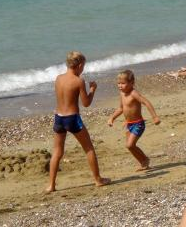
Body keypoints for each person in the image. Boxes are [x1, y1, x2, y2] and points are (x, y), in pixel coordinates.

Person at [46, 51, 110, 192]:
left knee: (57, 151)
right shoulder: (78, 81)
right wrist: (92, 90)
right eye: (83, 67)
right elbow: (86, 103)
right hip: (72, 118)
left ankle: (51, 185)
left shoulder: (58, 78)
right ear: (79, 65)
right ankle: (98, 179)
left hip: (59, 118)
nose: (83, 70)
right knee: (88, 148)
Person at [107, 70, 161, 171]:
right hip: (129, 124)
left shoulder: (133, 93)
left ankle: (145, 160)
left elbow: (146, 102)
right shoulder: (122, 94)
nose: (120, 86)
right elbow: (121, 108)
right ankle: (143, 163)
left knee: (130, 144)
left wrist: (155, 117)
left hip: (138, 124)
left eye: (123, 83)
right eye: (118, 83)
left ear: (132, 83)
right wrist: (112, 118)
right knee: (130, 147)